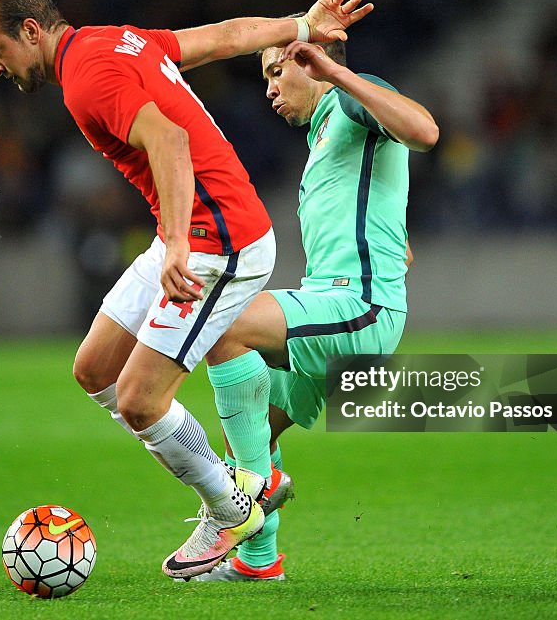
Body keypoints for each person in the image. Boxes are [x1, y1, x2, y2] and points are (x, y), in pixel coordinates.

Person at [0, 0, 373, 579]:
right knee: (95, 369)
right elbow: (221, 38)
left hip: (221, 240)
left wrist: (180, 242)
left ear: (30, 31)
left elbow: (170, 139)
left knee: (138, 399)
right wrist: (301, 27)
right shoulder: (111, 42)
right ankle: (242, 483)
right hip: (188, 231)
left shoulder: (87, 79)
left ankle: (233, 505)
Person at [188, 30, 438, 581]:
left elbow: (425, 131)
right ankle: (258, 563)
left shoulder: (352, 97)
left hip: (360, 307)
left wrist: (336, 73)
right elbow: (399, 244)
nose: (270, 90)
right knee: (250, 427)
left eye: (278, 72)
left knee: (224, 325)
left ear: (312, 64)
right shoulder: (325, 137)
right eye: (265, 80)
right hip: (333, 301)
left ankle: (251, 493)